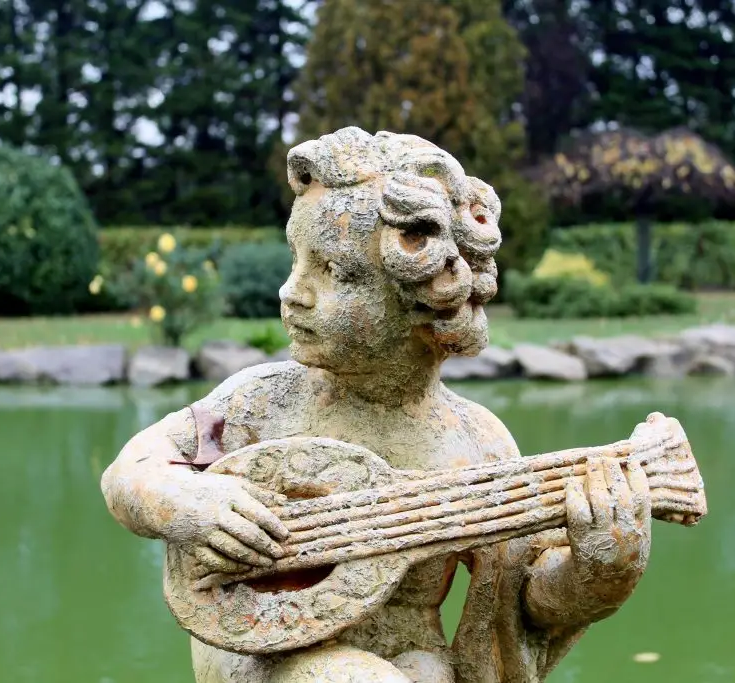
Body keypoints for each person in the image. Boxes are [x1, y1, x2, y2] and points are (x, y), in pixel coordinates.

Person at [100, 127, 652, 682]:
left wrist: (599, 574)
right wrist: (184, 499)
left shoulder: (474, 442)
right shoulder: (262, 399)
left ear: (424, 300)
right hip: (267, 657)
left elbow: (522, 605)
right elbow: (132, 471)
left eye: (333, 272)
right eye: (297, 261)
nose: (291, 291)